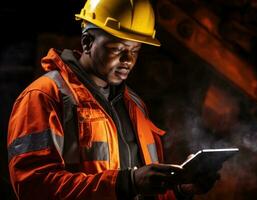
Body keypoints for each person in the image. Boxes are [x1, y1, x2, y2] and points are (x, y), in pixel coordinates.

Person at [7, 0, 219, 199]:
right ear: (87, 42)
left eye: (135, 50)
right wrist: (126, 183)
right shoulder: (45, 96)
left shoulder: (134, 105)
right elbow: (33, 187)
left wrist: (180, 189)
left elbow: (144, 190)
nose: (128, 60)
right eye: (118, 49)